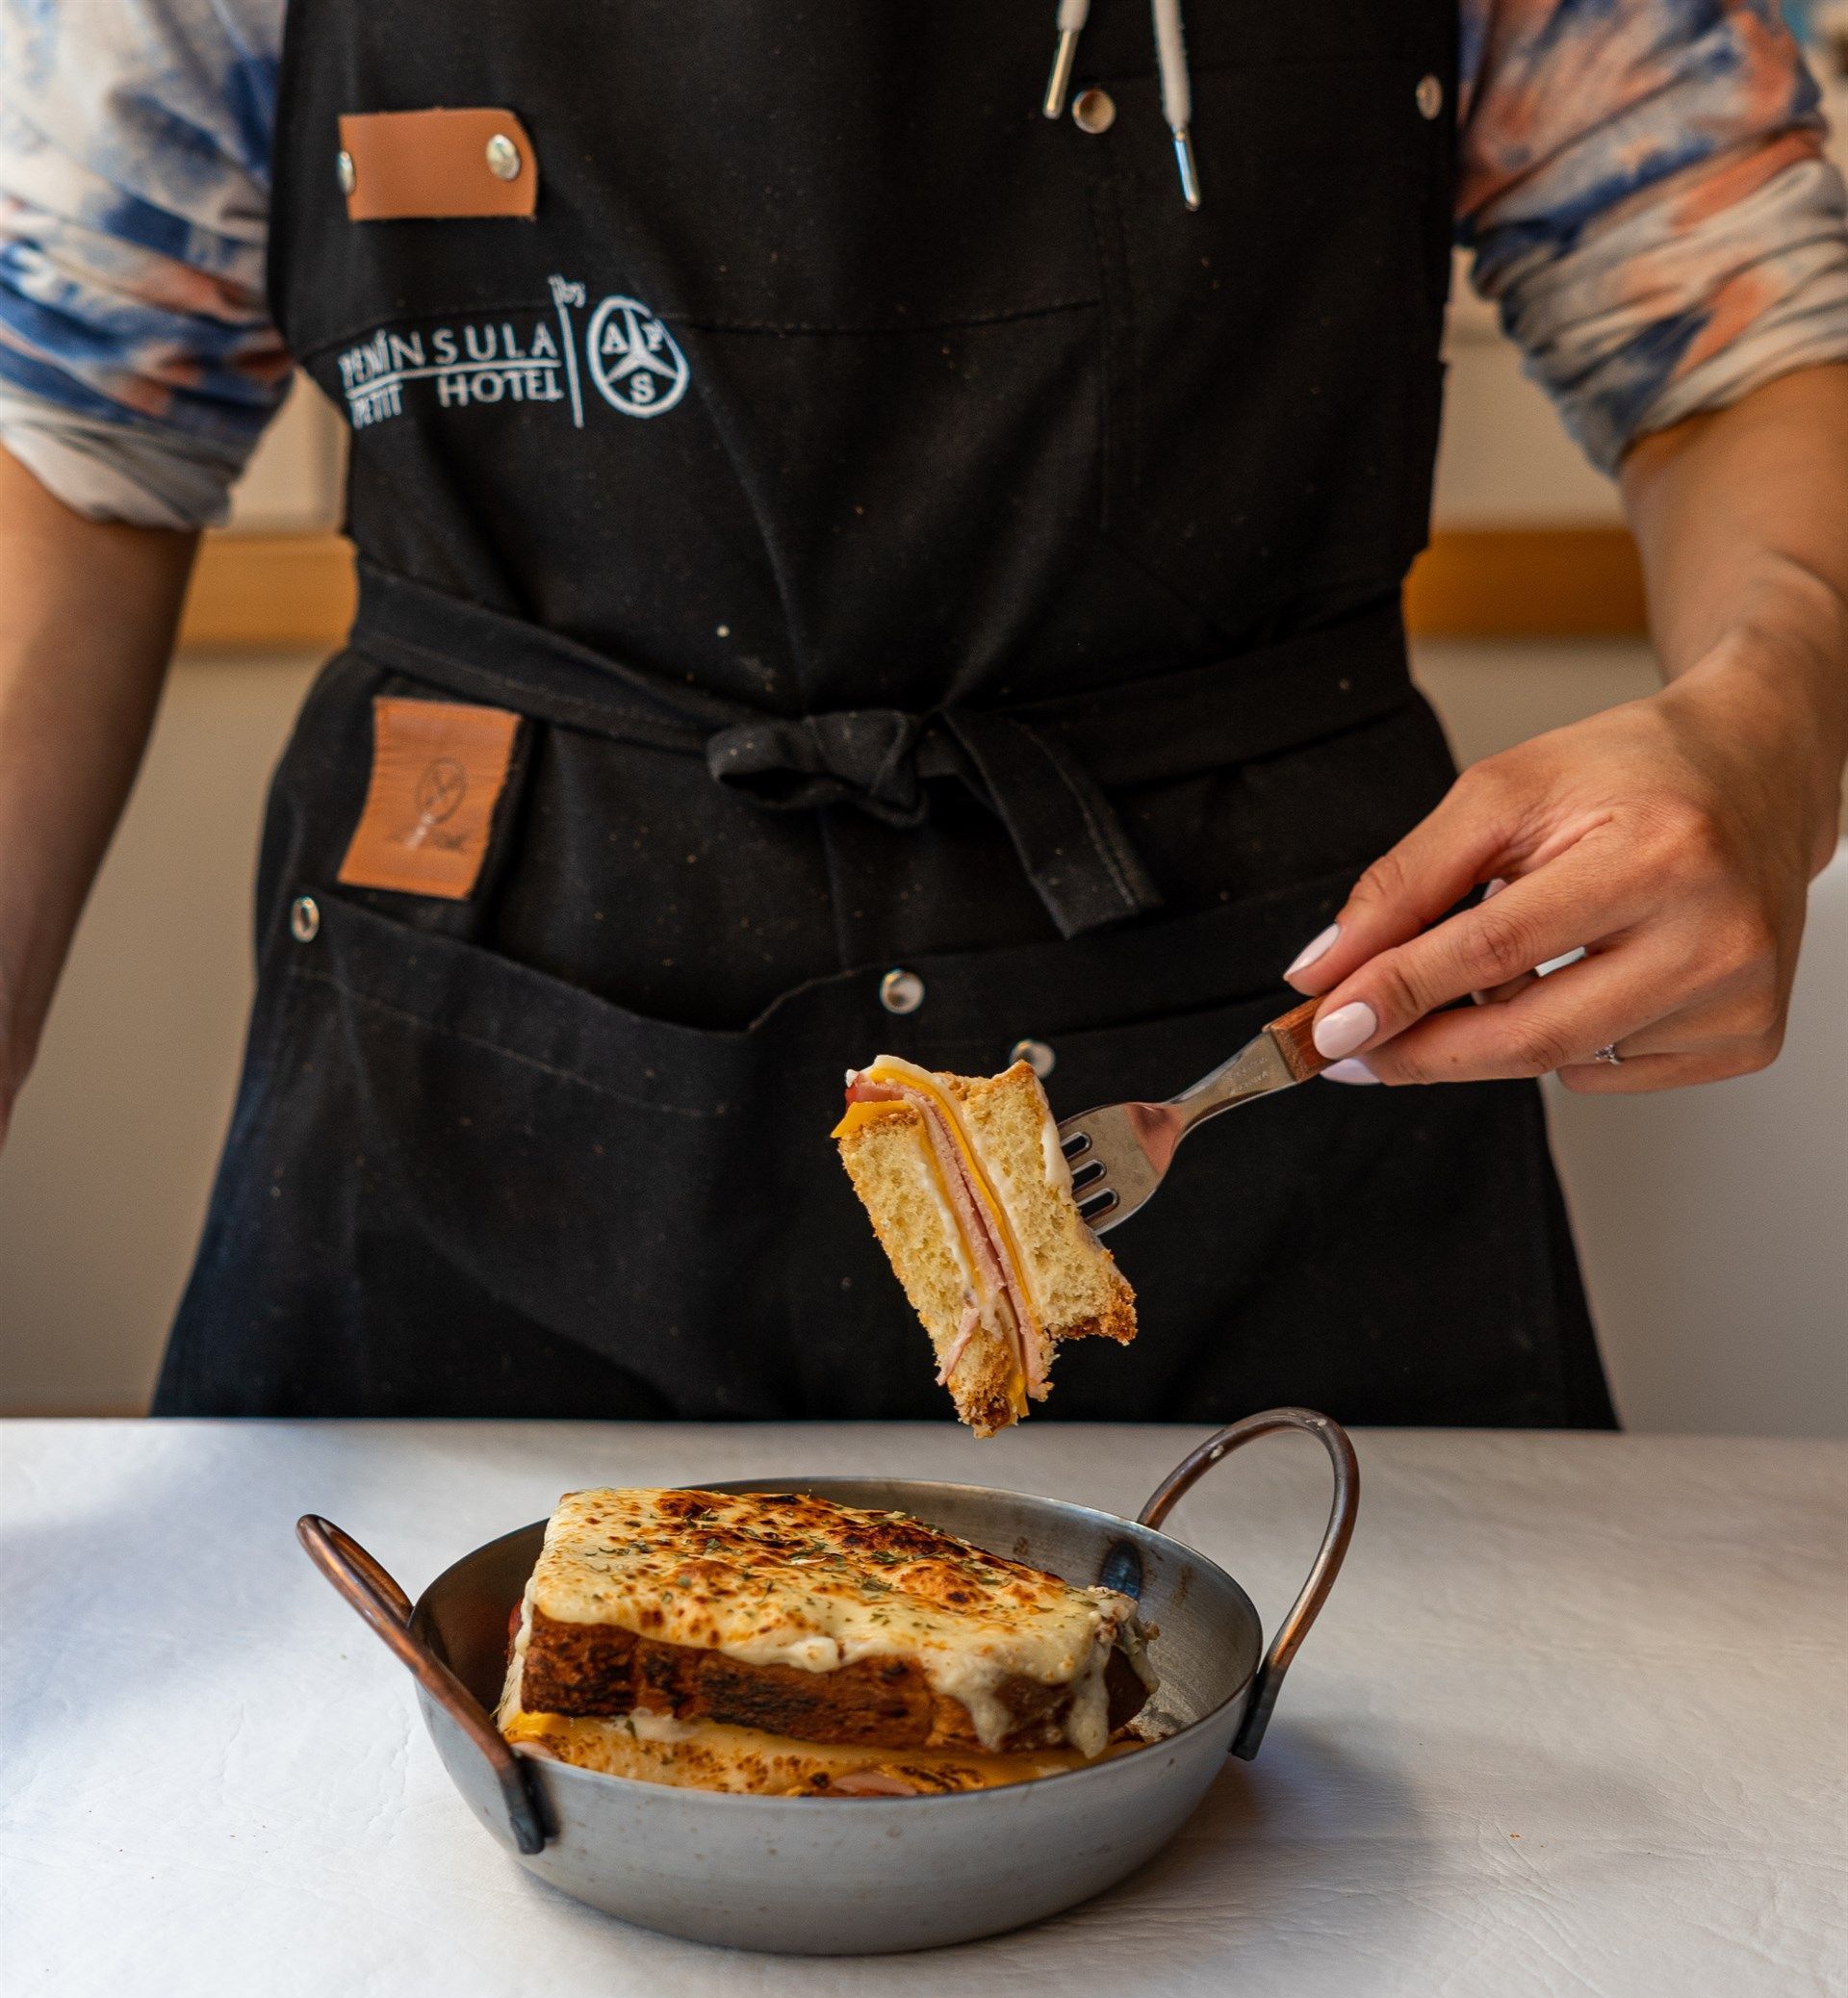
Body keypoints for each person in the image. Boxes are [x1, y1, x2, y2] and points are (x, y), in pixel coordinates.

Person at [1, 2, 1844, 1426]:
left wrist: (1770, 728)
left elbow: (1743, 342)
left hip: (1266, 1072)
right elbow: (68, 441)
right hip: (472, 1071)